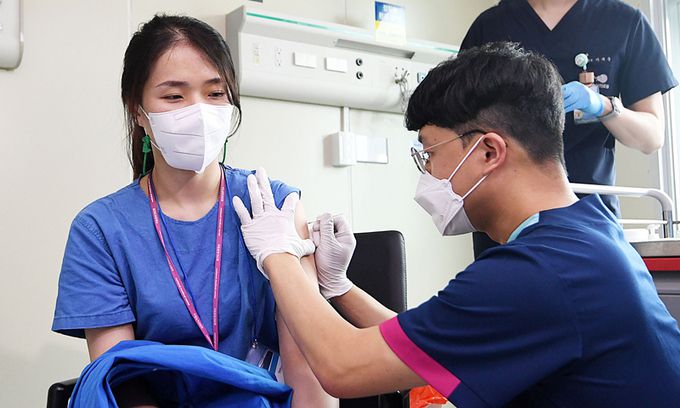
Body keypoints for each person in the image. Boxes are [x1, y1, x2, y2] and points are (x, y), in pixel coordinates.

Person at [233, 43, 680, 407]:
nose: (426, 173)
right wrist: (338, 287)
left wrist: (278, 255)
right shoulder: (584, 231)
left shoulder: (536, 272)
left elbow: (343, 368)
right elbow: (430, 344)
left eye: (429, 153)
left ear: (488, 152)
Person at [51, 14, 334, 407]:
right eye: (174, 96)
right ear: (138, 111)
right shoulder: (100, 230)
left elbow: (309, 370)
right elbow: (120, 378)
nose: (198, 111)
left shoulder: (275, 206)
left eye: (215, 93)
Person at [460, 0, 678, 258]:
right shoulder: (491, 26)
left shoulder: (624, 23)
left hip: (588, 214)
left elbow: (652, 137)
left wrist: (603, 106)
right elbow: (458, 125)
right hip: (505, 217)